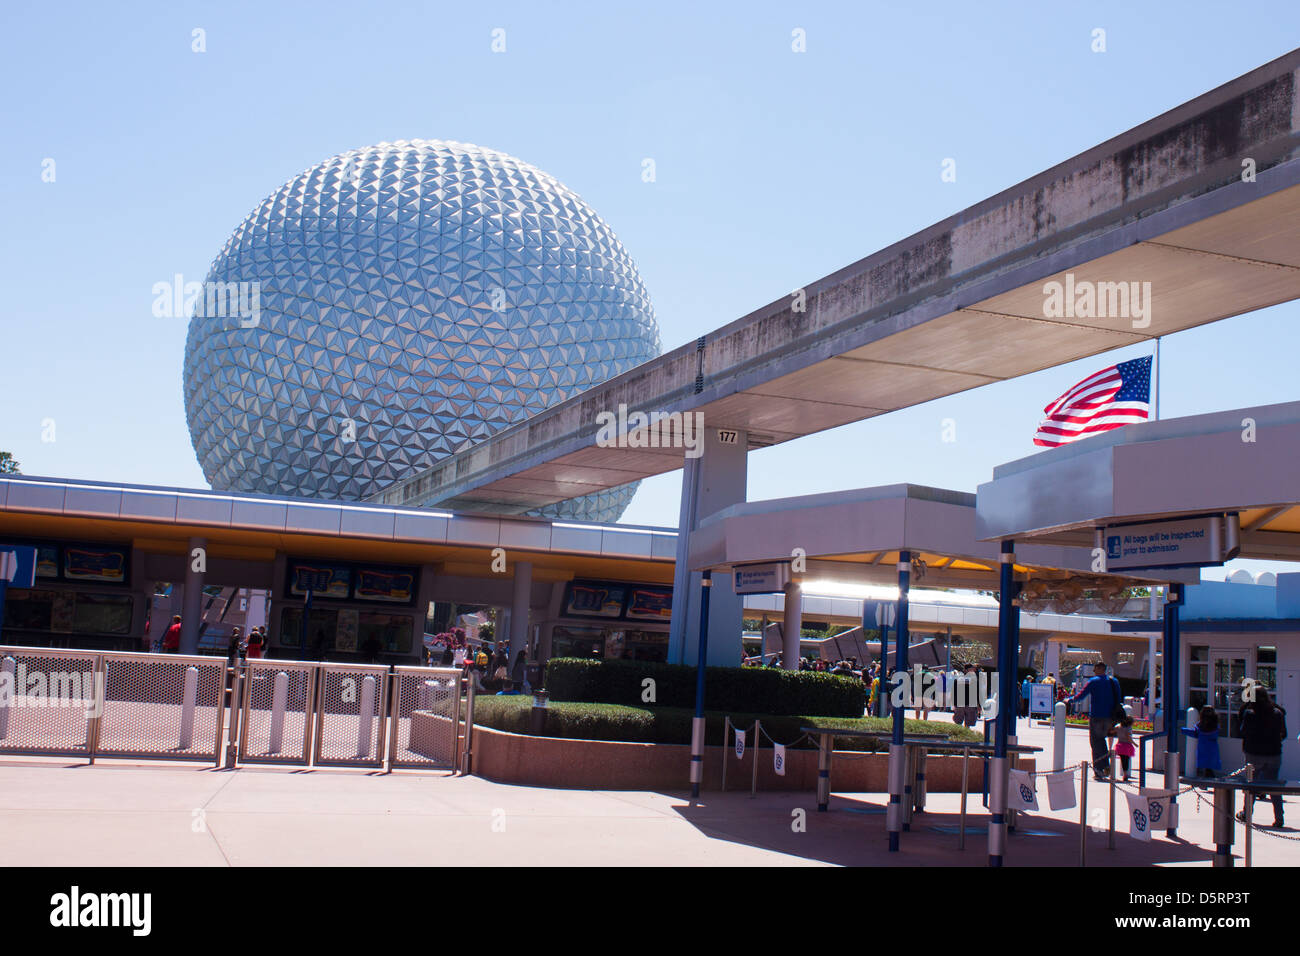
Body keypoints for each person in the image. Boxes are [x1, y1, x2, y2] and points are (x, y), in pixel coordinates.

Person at [1237, 689, 1287, 827]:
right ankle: (1279, 818)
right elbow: (1284, 733)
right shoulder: (1277, 713)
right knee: (1274, 787)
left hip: (1253, 754)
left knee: (1250, 786)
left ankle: (1247, 814)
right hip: (1273, 754)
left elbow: (1242, 731)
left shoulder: (1249, 714)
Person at [1066, 661, 1124, 780]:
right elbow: (1119, 698)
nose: (1093, 672)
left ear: (1099, 669)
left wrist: (1069, 700)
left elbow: (1081, 695)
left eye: (1095, 669)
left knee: (1096, 743)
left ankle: (1101, 769)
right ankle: (1105, 767)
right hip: (1111, 717)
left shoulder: (1093, 681)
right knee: (1102, 741)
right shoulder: (1114, 681)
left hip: (1097, 716)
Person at [1181, 706, 1222, 777]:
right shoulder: (1215, 724)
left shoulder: (1201, 725)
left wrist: (1183, 730)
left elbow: (1195, 734)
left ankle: (1205, 781)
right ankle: (1209, 778)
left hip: (1202, 747)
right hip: (1212, 748)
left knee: (1205, 767)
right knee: (1209, 768)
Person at [1111, 713, 1137, 782]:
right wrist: (1134, 743)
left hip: (1120, 745)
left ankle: (1124, 774)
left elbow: (1112, 730)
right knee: (1126, 760)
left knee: (1123, 760)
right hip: (1127, 746)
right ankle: (1125, 775)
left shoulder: (1119, 726)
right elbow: (1129, 737)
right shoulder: (1128, 728)